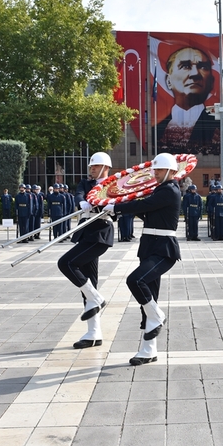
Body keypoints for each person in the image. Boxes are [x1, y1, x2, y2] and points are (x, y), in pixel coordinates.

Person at [103, 153, 181, 366]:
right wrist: (121, 206)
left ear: (172, 172)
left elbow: (145, 206)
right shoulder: (160, 190)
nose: (154, 174)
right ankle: (148, 350)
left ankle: (158, 316)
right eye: (154, 170)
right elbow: (147, 213)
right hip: (149, 247)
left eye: (159, 170)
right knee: (148, 301)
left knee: (135, 281)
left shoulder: (170, 190)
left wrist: (117, 206)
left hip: (163, 250)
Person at [57, 152, 116, 350]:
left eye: (96, 166)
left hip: (100, 232)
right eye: (91, 166)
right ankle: (93, 333)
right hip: (85, 232)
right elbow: (79, 193)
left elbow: (118, 202)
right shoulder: (85, 183)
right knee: (89, 283)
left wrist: (112, 204)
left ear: (106, 167)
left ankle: (97, 299)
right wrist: (82, 202)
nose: (92, 169)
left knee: (66, 263)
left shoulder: (113, 184)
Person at [154, 47, 220, 155]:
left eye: (203, 67)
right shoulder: (156, 131)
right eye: (185, 66)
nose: (195, 74)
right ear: (168, 81)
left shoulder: (220, 127)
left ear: (211, 82)